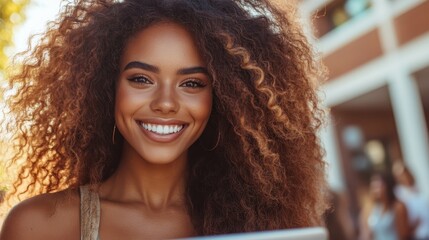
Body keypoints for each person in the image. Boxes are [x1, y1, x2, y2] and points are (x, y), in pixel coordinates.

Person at [0, 0, 328, 239]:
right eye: (142, 79)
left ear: (222, 100)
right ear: (105, 88)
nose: (166, 103)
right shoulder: (39, 226)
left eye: (192, 83)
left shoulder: (261, 227)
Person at [359, 172, 411, 240]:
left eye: (379, 187)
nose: (376, 190)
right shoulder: (369, 208)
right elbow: (365, 233)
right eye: (374, 187)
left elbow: (404, 234)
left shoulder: (398, 207)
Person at [392, 162, 429, 240]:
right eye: (401, 175)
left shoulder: (417, 190)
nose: (405, 176)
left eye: (406, 173)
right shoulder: (398, 194)